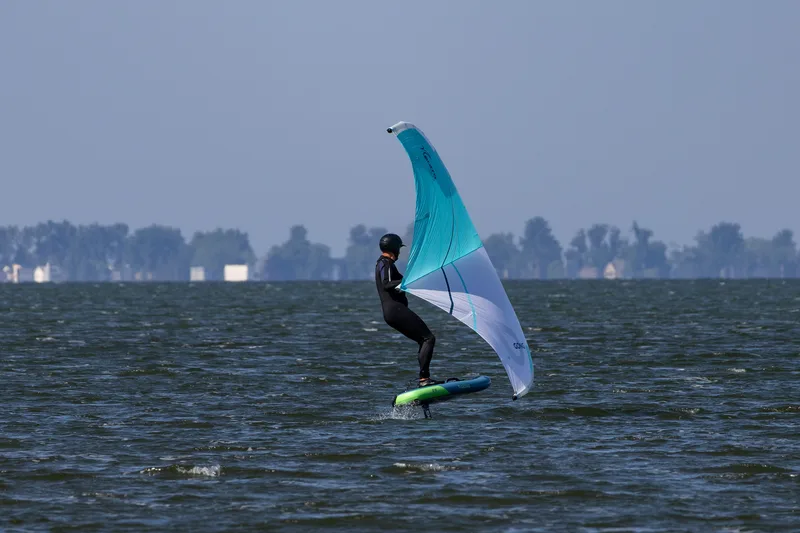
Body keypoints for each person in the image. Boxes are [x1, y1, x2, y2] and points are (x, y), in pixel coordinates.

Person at [375, 233, 438, 387]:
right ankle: (424, 379)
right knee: (428, 339)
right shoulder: (385, 263)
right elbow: (387, 283)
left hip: (393, 312)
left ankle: (424, 378)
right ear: (395, 248)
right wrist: (406, 281)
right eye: (399, 248)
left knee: (423, 340)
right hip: (395, 310)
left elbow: (401, 281)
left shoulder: (386, 264)